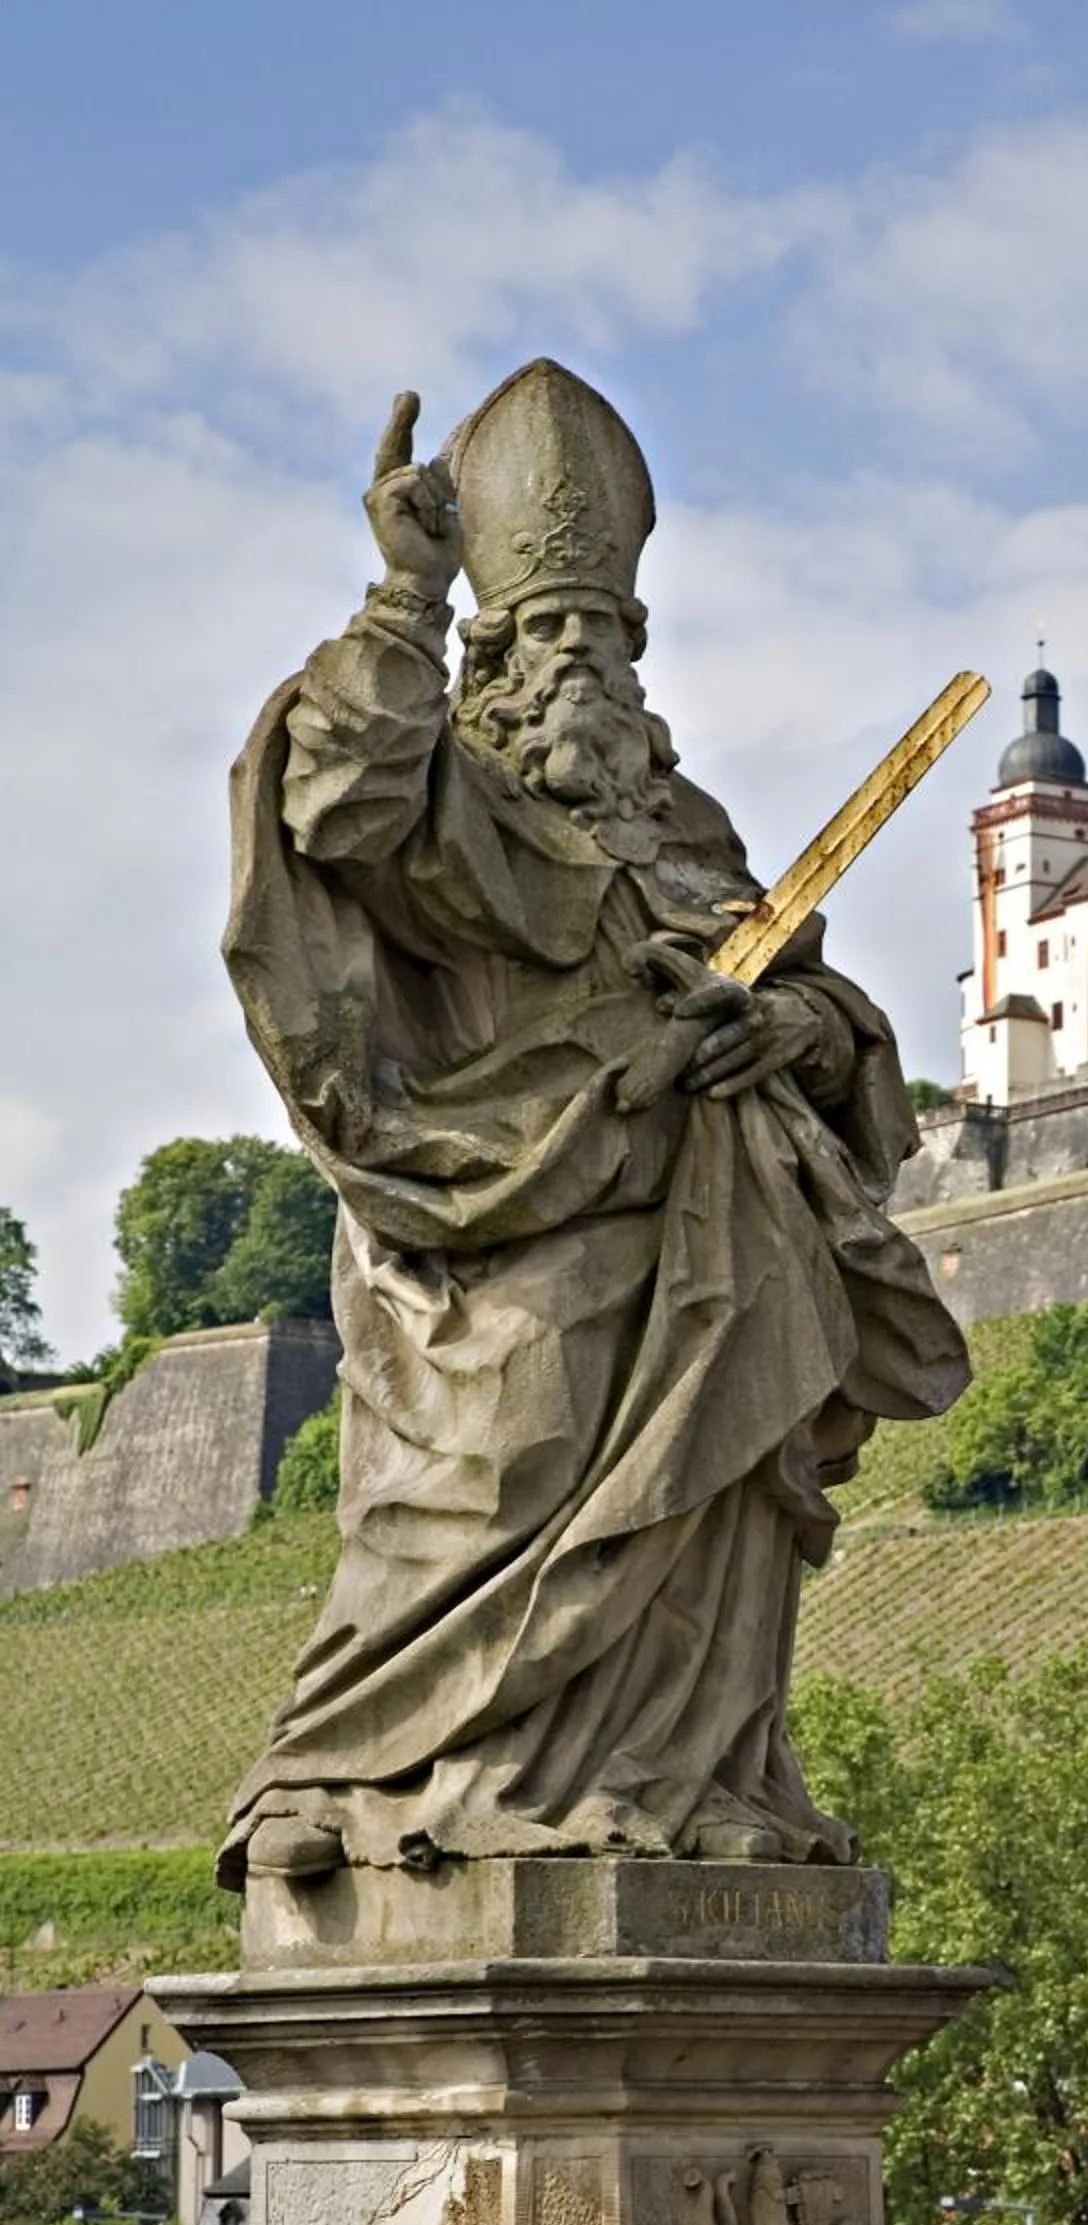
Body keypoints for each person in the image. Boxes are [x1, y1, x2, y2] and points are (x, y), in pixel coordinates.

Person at [218, 359, 967, 1885]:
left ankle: (683, 1784)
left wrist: (784, 1025)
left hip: (714, 1244)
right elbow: (340, 802)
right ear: (490, 658)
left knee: (708, 1519)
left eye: (608, 639)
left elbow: (839, 1026)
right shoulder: (456, 806)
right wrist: (402, 601)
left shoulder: (691, 839)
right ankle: (353, 1770)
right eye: (549, 633)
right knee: (485, 1476)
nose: (584, 666)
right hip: (499, 1236)